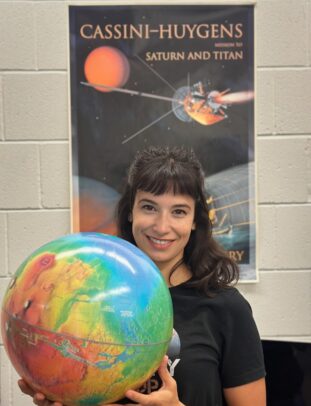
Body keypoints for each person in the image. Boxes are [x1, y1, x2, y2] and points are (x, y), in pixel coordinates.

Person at [19, 145, 266, 406]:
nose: (161, 226)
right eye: (149, 207)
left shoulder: (226, 308)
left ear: (195, 220)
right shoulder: (90, 296)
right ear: (130, 211)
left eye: (179, 211)